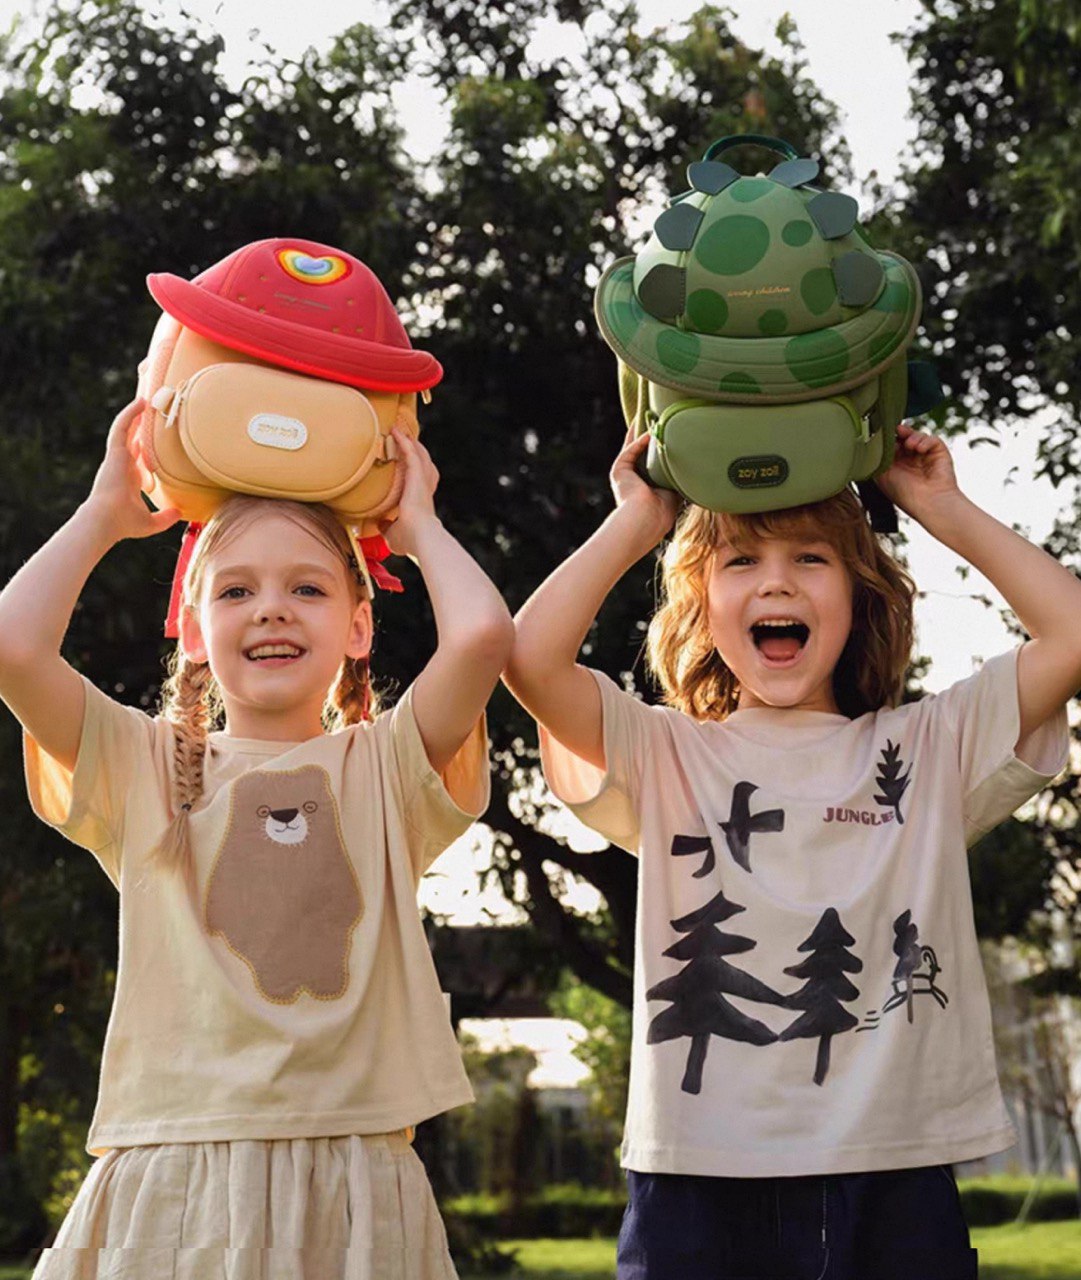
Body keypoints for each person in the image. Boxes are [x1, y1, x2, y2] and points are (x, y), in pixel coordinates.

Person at [504, 422, 1078, 1280]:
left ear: (857, 595)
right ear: (700, 603)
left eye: (810, 558)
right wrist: (638, 520)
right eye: (739, 561)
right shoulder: (665, 752)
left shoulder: (928, 746)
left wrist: (937, 506)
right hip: (695, 1177)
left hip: (893, 1170)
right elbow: (527, 658)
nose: (775, 579)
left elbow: (1069, 632)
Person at [0, 396, 514, 1279]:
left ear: (358, 627)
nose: (271, 609)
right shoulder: (145, 765)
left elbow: (480, 637)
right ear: (194, 632)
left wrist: (418, 522)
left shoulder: (387, 767)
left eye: (307, 588)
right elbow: (12, 647)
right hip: (176, 1167)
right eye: (236, 589)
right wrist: (101, 517)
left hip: (353, 1171)